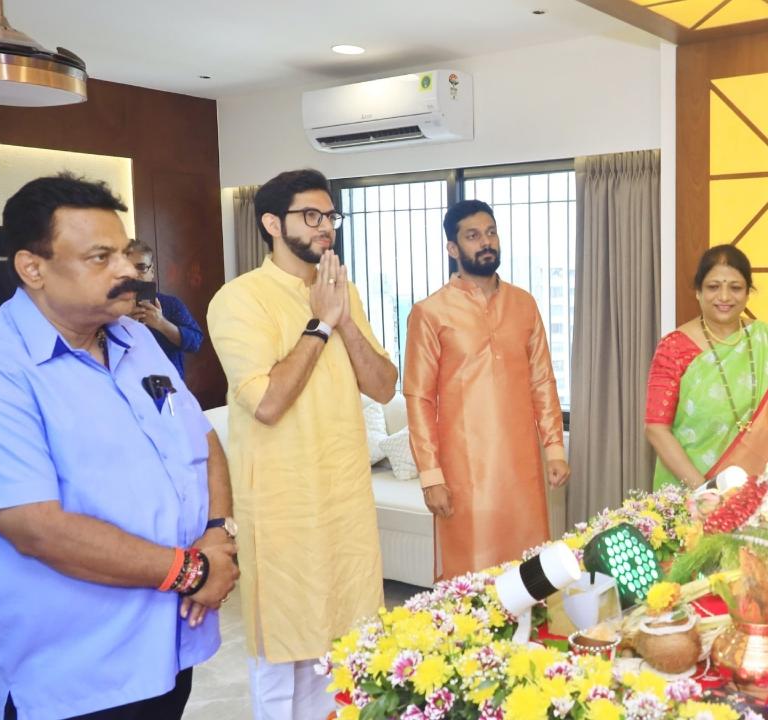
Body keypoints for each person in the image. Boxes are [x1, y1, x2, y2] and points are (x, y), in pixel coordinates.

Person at [0, 174, 238, 720]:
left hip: (168, 645)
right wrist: (192, 571)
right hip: (76, 674)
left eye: (126, 254)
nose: (128, 271)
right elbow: (35, 526)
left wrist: (217, 532)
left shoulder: (134, 338)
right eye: (100, 257)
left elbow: (201, 438)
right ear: (32, 268)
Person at [207, 168, 397, 720]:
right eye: (310, 216)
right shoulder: (239, 299)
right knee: (284, 652)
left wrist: (342, 317)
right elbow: (266, 404)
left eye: (330, 216)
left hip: (344, 497)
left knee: (340, 646)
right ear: (272, 223)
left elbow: (383, 387)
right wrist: (319, 324)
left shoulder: (342, 290)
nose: (325, 228)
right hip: (283, 504)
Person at [405, 199, 569, 579]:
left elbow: (542, 380)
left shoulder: (524, 304)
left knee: (529, 569)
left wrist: (554, 449)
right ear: (453, 248)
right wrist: (431, 477)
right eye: (473, 236)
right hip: (465, 471)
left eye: (491, 232)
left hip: (522, 466)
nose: (486, 242)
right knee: (473, 575)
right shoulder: (430, 312)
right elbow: (419, 399)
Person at [645, 244, 768, 490]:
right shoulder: (674, 348)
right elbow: (656, 428)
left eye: (735, 288)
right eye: (713, 287)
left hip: (758, 484)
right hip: (691, 488)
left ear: (748, 292)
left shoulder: (766, 338)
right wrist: (705, 490)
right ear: (698, 291)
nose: (725, 297)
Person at [125, 239, 204, 380]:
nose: (134, 274)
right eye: (127, 268)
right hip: (127, 389)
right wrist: (124, 323)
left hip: (170, 389)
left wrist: (162, 324)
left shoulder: (171, 304)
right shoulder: (109, 310)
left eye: (141, 267)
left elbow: (196, 342)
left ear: (152, 271)